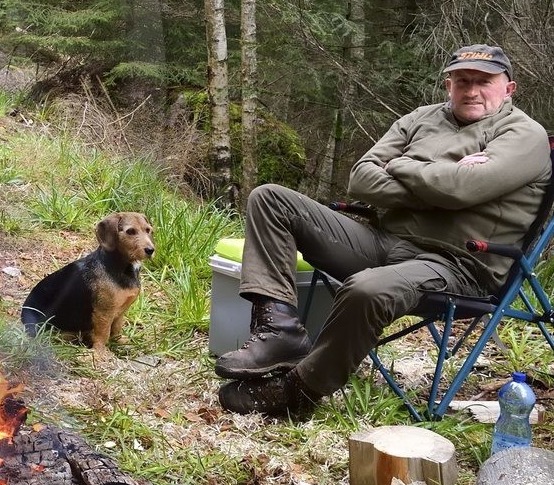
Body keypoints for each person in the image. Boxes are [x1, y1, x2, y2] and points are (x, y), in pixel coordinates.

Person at [216, 44, 549, 418]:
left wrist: (404, 166)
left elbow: (462, 189)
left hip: (457, 265)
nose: (471, 90)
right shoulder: (420, 118)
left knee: (368, 287)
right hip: (382, 242)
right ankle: (280, 331)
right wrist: (442, 186)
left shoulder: (524, 135)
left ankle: (299, 390)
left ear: (509, 88)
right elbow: (361, 178)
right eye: (462, 81)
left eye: (484, 82)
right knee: (270, 198)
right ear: (448, 85)